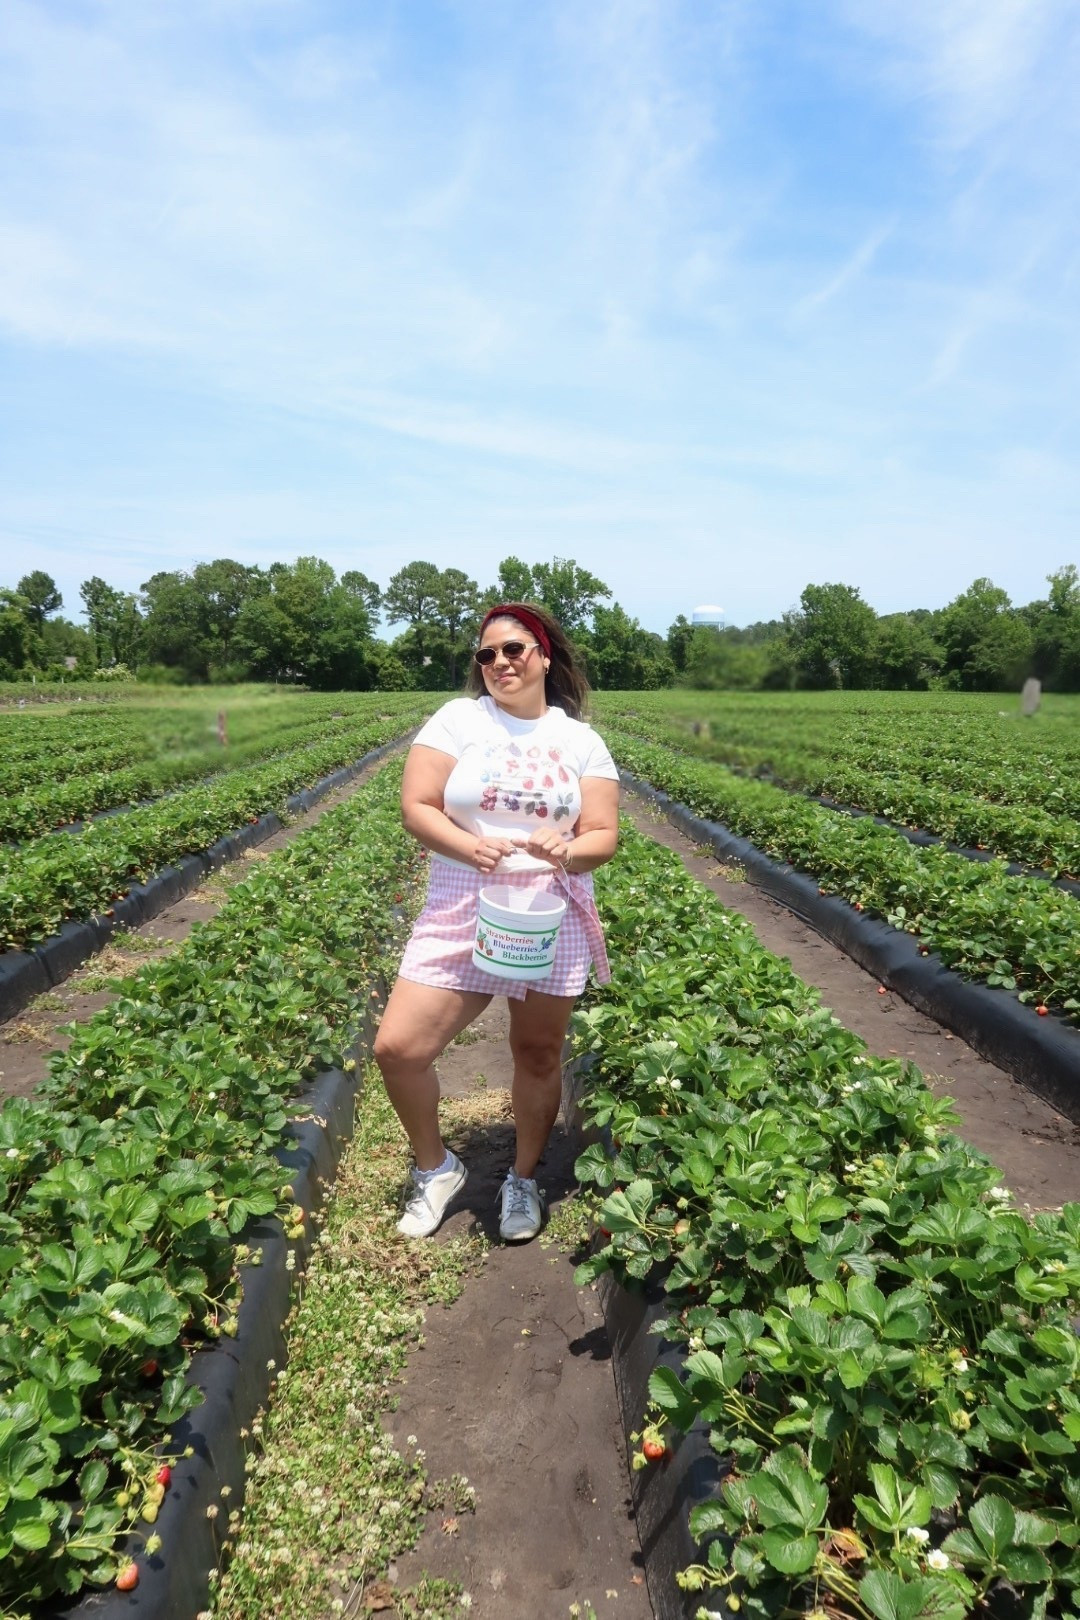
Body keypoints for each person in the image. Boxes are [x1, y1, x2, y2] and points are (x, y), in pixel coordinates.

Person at [373, 602, 620, 1244]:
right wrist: (468, 846)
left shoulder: (580, 742)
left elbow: (602, 832)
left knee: (537, 1052)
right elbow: (417, 805)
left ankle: (523, 1176)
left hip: (548, 907)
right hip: (462, 899)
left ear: (542, 656)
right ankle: (437, 1168)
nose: (500, 662)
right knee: (399, 1049)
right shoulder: (458, 721)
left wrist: (568, 849)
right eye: (487, 654)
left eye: (514, 649)